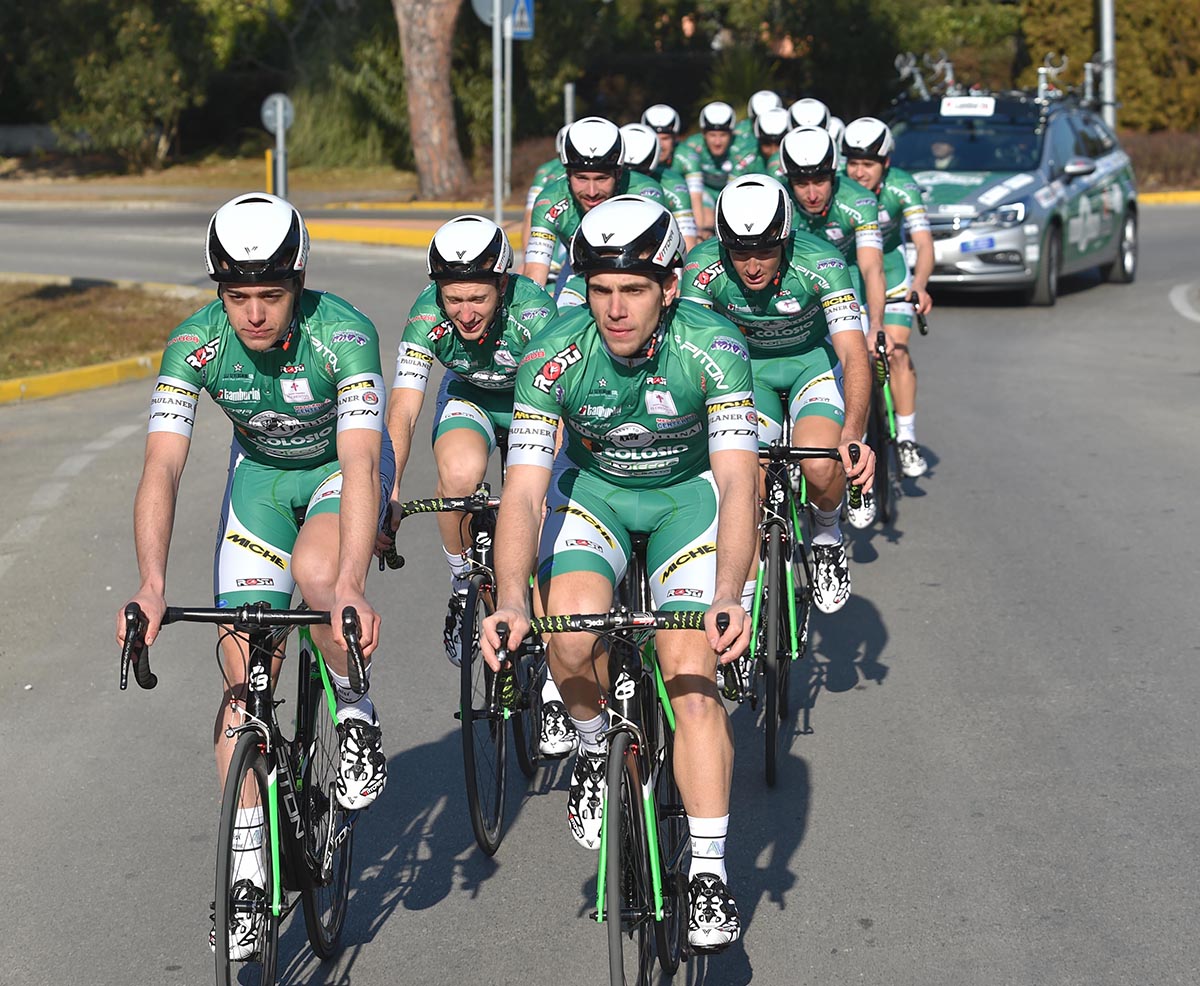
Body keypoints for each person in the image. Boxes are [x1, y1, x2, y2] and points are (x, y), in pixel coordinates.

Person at [115, 191, 393, 955]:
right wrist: (151, 585)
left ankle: (358, 712)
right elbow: (163, 468)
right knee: (241, 676)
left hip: (342, 471)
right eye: (238, 298)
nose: (255, 315)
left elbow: (365, 459)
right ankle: (244, 880)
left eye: (271, 296)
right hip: (262, 483)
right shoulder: (195, 345)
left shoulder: (344, 335)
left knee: (315, 574)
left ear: (298, 285)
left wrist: (351, 590)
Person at [481, 197, 758, 953]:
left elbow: (738, 482)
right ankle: (595, 742)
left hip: (687, 502)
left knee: (689, 672)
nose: (614, 308)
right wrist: (509, 598)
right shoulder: (553, 352)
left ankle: (706, 871)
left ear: (668, 286)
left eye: (632, 289)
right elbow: (527, 490)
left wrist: (730, 591)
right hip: (594, 493)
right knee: (567, 633)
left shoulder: (714, 346)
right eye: (600, 290)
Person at [381, 214, 577, 756]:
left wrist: (536, 492)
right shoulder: (426, 316)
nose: (464, 314)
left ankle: (552, 665)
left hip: (533, 406)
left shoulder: (536, 310)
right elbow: (404, 406)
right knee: (461, 476)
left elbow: (558, 411)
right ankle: (463, 580)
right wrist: (387, 486)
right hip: (469, 397)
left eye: (478, 300)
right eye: (453, 299)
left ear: (502, 286)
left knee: (533, 513)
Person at [680, 175, 875, 613]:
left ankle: (826, 536)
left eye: (765, 252)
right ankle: (743, 611)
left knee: (821, 464)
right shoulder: (701, 267)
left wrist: (854, 433)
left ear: (786, 240)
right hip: (747, 375)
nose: (752, 266)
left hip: (811, 366)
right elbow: (688, 351)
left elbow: (853, 352)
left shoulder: (822, 262)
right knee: (746, 484)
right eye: (740, 253)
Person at [842, 117, 934, 497]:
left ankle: (907, 437)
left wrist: (920, 285)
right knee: (852, 364)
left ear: (886, 163)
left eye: (869, 164)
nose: (859, 172)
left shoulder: (901, 187)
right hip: (849, 278)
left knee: (894, 352)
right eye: (853, 162)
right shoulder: (838, 189)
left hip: (893, 275)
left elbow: (924, 244)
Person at [779, 126, 887, 390]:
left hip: (847, 283)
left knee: (857, 360)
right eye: (802, 184)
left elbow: (872, 267)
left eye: (820, 182)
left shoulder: (860, 200)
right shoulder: (778, 201)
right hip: (796, 288)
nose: (812, 194)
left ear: (833, 176)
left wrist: (876, 326)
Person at [524, 116, 666, 307]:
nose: (592, 192)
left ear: (619, 173)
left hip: (635, 272)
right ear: (567, 174)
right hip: (579, 270)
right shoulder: (549, 201)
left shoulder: (645, 193)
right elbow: (535, 275)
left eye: (601, 179)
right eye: (581, 178)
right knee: (563, 316)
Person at [673, 101, 758, 239]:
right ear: (703, 134)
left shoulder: (743, 147)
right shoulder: (692, 145)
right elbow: (694, 192)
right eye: (712, 135)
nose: (717, 142)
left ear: (732, 134)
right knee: (706, 219)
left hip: (736, 190)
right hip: (705, 191)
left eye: (723, 135)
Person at [619, 121, 698, 251]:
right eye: (625, 174)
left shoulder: (673, 183)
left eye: (640, 173)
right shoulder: (597, 185)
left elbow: (688, 243)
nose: (635, 180)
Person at [516, 124, 569, 277]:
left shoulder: (545, 170)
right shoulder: (546, 171)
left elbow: (529, 215)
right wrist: (528, 260)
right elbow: (531, 214)